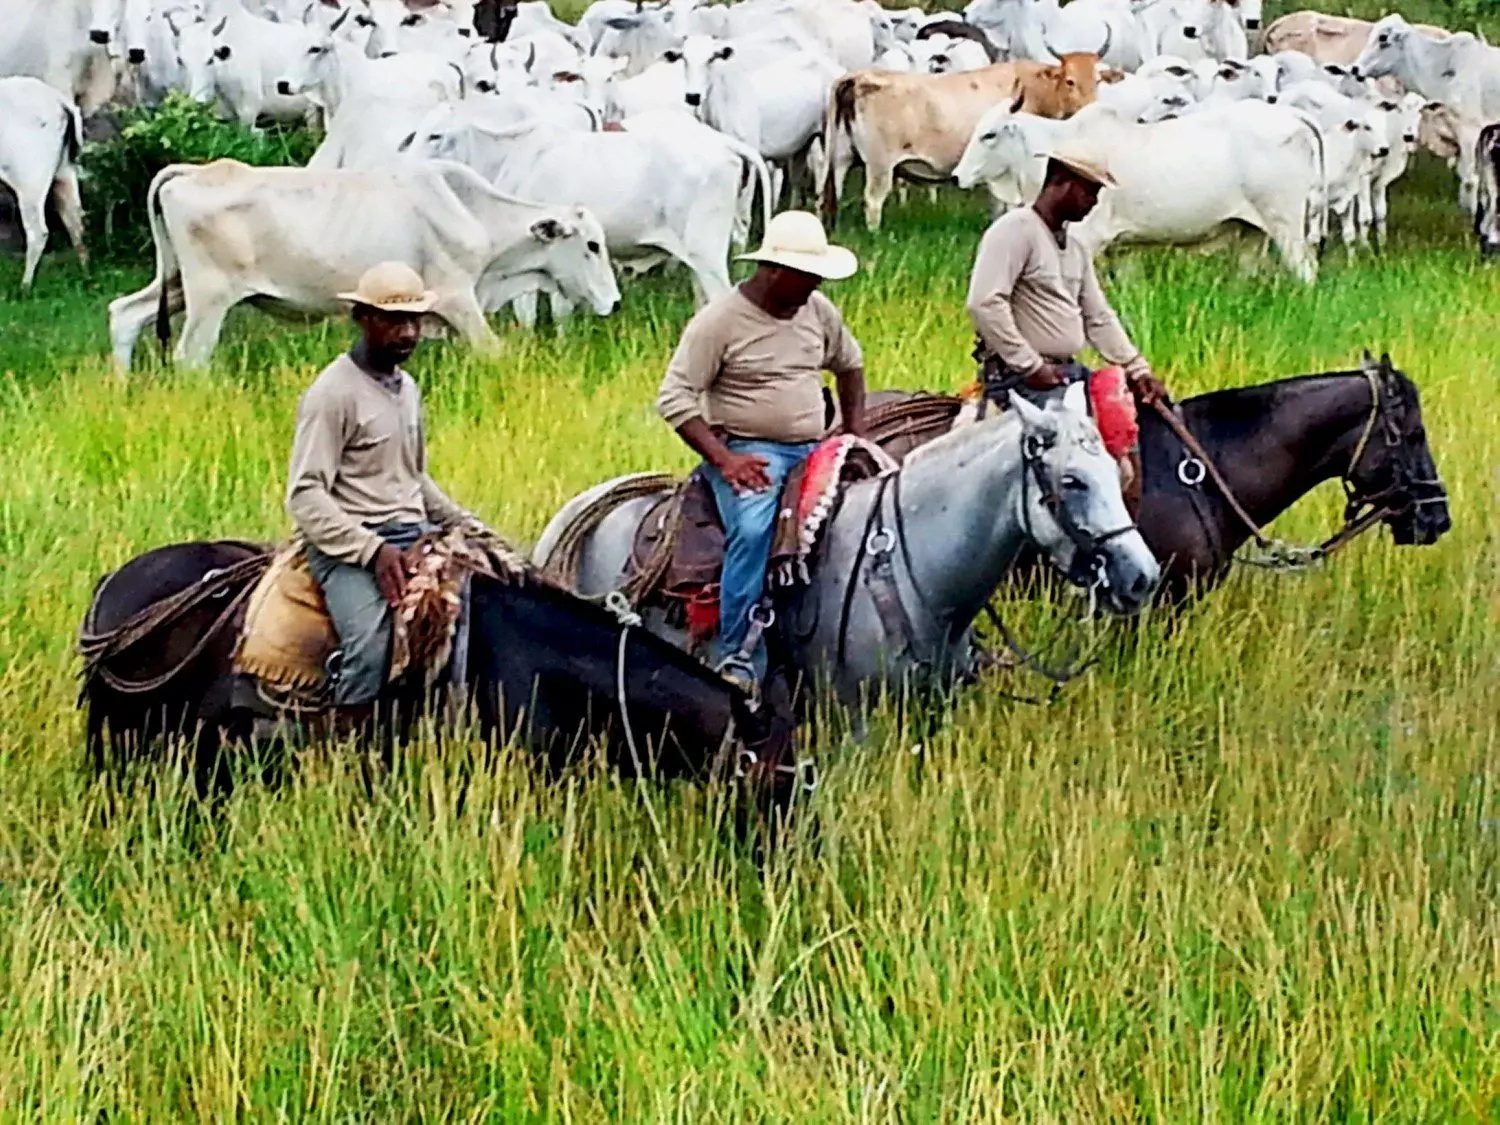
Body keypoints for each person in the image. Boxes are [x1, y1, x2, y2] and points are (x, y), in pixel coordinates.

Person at [656, 211, 867, 689]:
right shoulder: (720, 321)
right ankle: (736, 656)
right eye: (806, 276)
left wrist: (854, 435)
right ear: (774, 271)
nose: (814, 285)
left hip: (814, 447)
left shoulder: (817, 311)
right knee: (753, 530)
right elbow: (674, 397)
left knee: (876, 509)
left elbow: (850, 366)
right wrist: (725, 461)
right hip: (749, 450)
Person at [285, 261, 474, 726]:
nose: (407, 332)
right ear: (363, 319)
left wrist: (463, 524)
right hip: (349, 544)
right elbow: (306, 496)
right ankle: (346, 745)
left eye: (414, 321)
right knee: (370, 645)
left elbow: (413, 478)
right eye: (394, 321)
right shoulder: (333, 394)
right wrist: (372, 552)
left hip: (413, 532)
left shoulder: (406, 387)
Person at [965, 146, 1169, 508]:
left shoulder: (1075, 247)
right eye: (1089, 190)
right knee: (1081, 469)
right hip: (1022, 380)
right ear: (1060, 181)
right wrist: (1029, 365)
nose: (1093, 201)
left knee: (1133, 436)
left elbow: (1098, 316)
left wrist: (1138, 369)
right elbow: (985, 303)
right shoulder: (1015, 231)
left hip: (1065, 375)